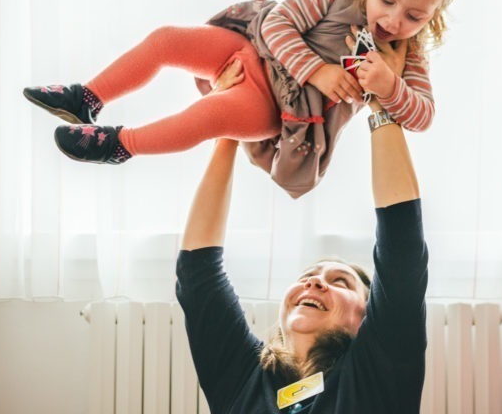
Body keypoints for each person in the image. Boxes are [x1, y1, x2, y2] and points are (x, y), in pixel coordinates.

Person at [23, 0, 463, 196]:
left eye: (415, 16)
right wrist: (318, 72)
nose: (393, 21)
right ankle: (87, 97)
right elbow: (276, 24)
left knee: (208, 119)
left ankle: (120, 144)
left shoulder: (408, 54)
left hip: (276, 107)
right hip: (252, 51)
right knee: (166, 40)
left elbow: (423, 115)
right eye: (387, 1)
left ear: (434, 15)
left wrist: (389, 85)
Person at [176, 57, 428, 413]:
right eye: (308, 277)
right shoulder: (244, 377)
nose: (314, 284)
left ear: (368, 317)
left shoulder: (378, 370)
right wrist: (229, 126)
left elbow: (402, 247)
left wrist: (380, 96)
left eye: (340, 281)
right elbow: (197, 276)